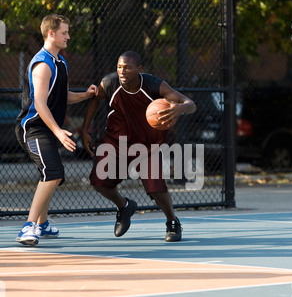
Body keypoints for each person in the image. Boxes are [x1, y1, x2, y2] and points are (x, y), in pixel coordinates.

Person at [81, 51, 196, 242]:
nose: (122, 71)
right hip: (117, 142)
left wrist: (179, 108)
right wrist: (85, 130)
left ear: (139, 69)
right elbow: (95, 99)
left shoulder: (153, 84)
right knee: (99, 183)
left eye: (127, 67)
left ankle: (172, 222)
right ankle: (125, 206)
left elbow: (190, 103)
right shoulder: (110, 83)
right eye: (119, 67)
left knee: (156, 188)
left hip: (148, 145)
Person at [15, 14, 98, 246]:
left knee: (52, 175)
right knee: (53, 173)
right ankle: (28, 227)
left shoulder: (60, 62)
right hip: (32, 129)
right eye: (64, 32)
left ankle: (41, 224)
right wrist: (59, 131)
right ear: (51, 34)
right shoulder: (42, 64)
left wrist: (85, 95)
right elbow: (40, 103)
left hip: (47, 129)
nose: (68, 36)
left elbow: (63, 97)